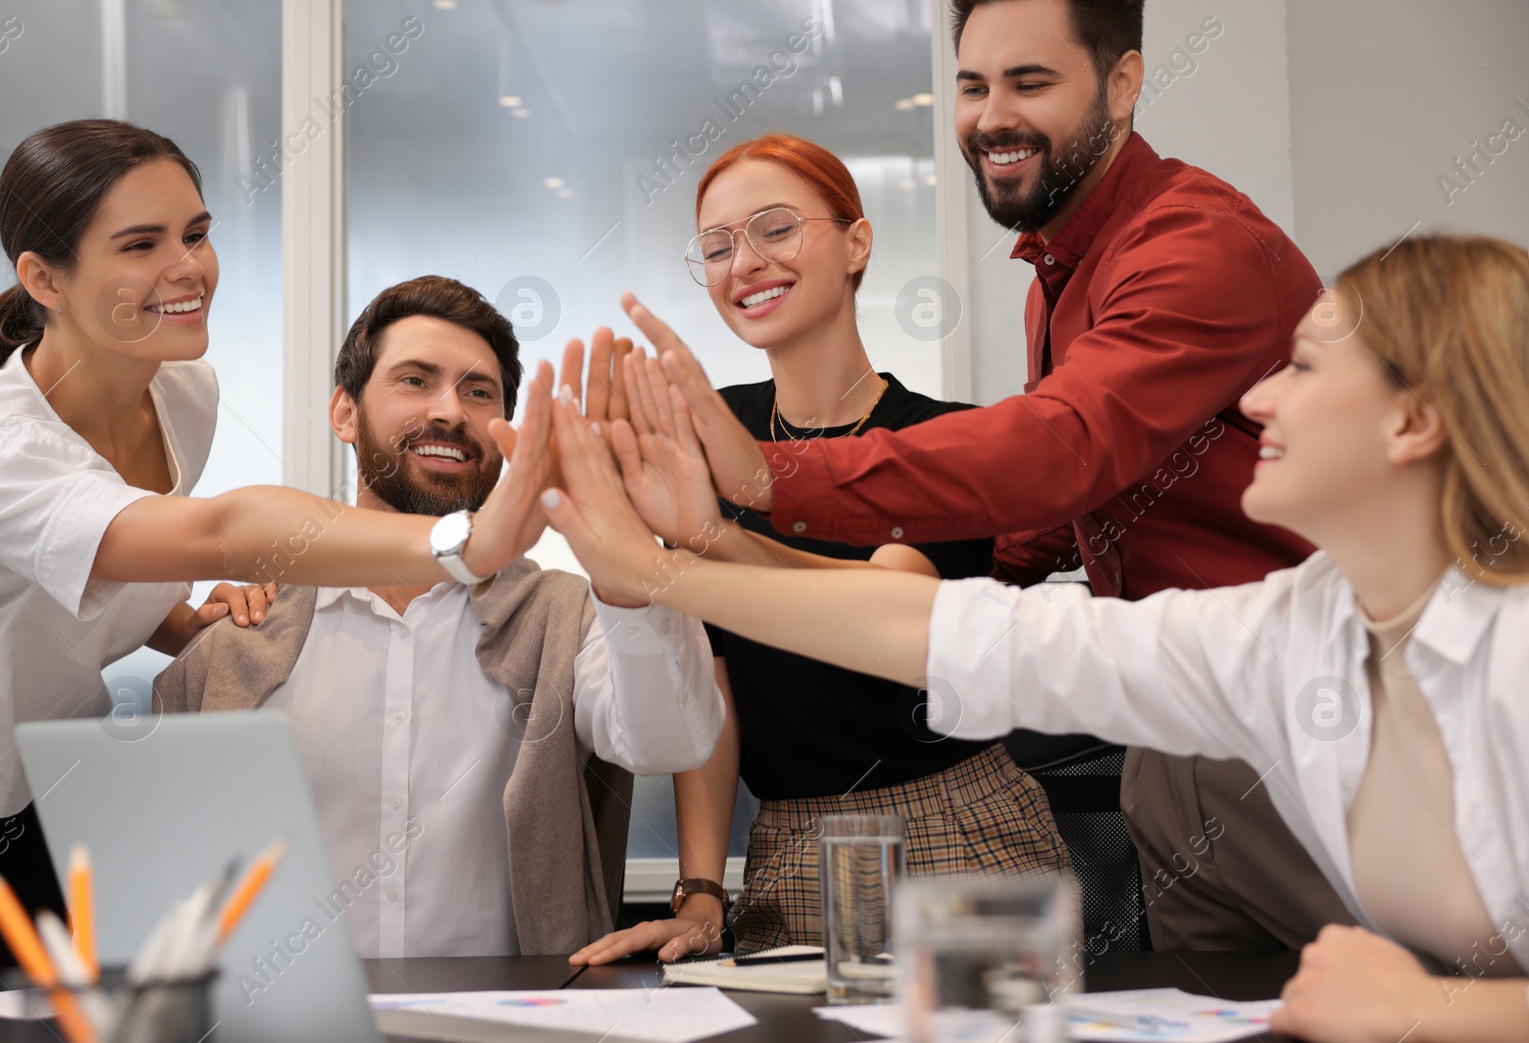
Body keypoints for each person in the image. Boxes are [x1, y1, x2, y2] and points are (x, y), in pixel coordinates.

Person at [540, 233, 1529, 1041]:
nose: (1257, 398)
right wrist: (672, 565)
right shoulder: (1293, 627)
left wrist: (1421, 1007)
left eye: (1302, 367)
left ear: (1415, 420)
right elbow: (977, 634)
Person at [612, 0, 1356, 952]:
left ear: (1122, 82)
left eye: (1030, 81)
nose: (991, 116)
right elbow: (1007, 540)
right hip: (1172, 725)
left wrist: (763, 485)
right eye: (971, 85)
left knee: (1366, 999)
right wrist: (701, 542)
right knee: (1209, 1008)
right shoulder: (1055, 275)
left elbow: (1061, 449)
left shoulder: (1191, 245)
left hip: (1286, 715)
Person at [0, 120, 583, 966]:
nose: (186, 268)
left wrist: (183, 623)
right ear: (44, 278)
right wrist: (467, 538)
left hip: (55, 796)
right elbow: (216, 532)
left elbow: (93, 559)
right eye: (139, 244)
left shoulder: (181, 393)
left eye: (196, 234)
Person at [569, 135, 1068, 966]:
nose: (746, 263)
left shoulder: (943, 438)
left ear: (858, 243)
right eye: (719, 246)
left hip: (958, 823)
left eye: (775, 228)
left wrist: (704, 547)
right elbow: (711, 679)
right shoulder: (705, 436)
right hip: (791, 845)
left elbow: (884, 620)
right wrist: (700, 891)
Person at [154, 276, 722, 957]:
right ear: (344, 413)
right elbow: (162, 886)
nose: (450, 411)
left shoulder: (565, 617)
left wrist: (630, 552)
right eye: (416, 380)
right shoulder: (243, 636)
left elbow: (670, 741)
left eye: (479, 391)